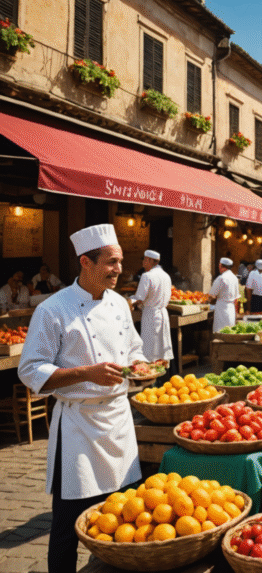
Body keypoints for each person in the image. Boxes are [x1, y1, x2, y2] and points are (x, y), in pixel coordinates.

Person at [19, 223, 146, 573]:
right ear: (85, 262)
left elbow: (135, 349)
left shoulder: (120, 303)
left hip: (119, 424)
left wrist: (141, 366)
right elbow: (30, 369)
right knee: (66, 528)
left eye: (120, 261)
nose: (119, 270)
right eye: (110, 262)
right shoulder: (52, 310)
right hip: (79, 427)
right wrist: (85, 373)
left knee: (125, 517)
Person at [128, 250, 173, 364]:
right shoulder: (166, 276)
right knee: (162, 348)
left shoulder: (147, 276)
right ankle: (162, 374)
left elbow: (140, 297)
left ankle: (152, 376)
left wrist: (129, 302)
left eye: (144, 259)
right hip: (163, 314)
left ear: (149, 260)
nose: (143, 262)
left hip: (151, 315)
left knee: (150, 349)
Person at [209, 257, 240, 333]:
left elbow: (211, 295)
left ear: (221, 266)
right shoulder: (235, 278)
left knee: (219, 332)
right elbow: (236, 298)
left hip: (221, 309)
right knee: (230, 333)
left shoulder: (221, 278)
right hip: (231, 309)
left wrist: (209, 301)